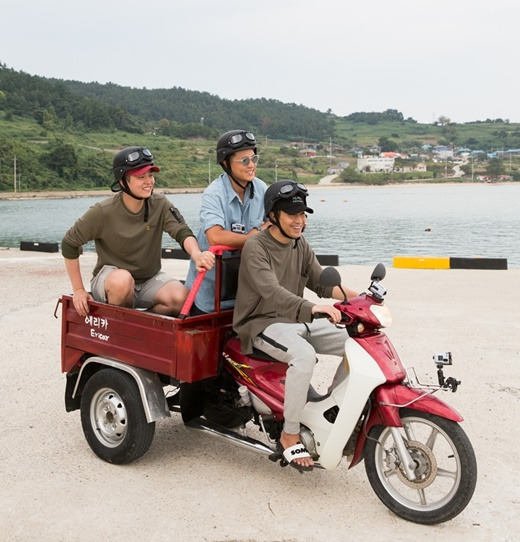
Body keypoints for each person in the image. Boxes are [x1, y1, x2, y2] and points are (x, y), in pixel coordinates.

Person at [232, 180, 358, 471]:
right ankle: (289, 434)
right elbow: (272, 292)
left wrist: (360, 299)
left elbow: (320, 282)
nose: (299, 221)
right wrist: (313, 309)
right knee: (303, 356)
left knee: (356, 342)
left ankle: (332, 410)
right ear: (273, 215)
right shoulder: (256, 246)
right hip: (261, 322)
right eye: (292, 214)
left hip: (295, 319)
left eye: (303, 214)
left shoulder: (299, 243)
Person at [61, 146, 215, 318]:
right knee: (122, 281)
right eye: (141, 177)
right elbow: (69, 243)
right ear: (122, 181)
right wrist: (79, 290)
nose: (148, 181)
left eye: (150, 175)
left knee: (181, 297)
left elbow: (182, 231)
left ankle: (137, 325)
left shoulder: (160, 204)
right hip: (112, 280)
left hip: (149, 279)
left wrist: (197, 254)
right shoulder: (103, 211)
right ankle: (121, 325)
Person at [185, 130, 268, 314]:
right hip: (210, 292)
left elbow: (274, 223)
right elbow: (215, 236)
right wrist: (253, 238)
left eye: (254, 159)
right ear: (225, 163)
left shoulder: (262, 188)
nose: (251, 165)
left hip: (246, 290)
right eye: (244, 161)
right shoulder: (214, 193)